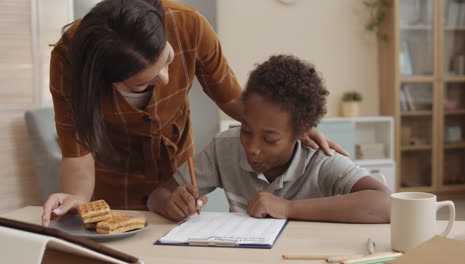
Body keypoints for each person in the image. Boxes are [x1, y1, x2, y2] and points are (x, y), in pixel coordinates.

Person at [42, 0, 347, 227]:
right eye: (144, 82)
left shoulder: (188, 26)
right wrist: (79, 197)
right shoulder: (69, 62)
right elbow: (78, 153)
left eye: (168, 60)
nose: (164, 80)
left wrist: (291, 128)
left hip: (175, 175)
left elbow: (236, 102)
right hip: (111, 182)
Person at [148, 55, 391, 223]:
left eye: (270, 139)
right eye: (246, 130)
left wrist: (288, 208)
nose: (252, 148)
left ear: (302, 132)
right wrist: (171, 204)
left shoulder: (321, 160)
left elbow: (386, 204)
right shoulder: (225, 147)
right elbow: (158, 195)